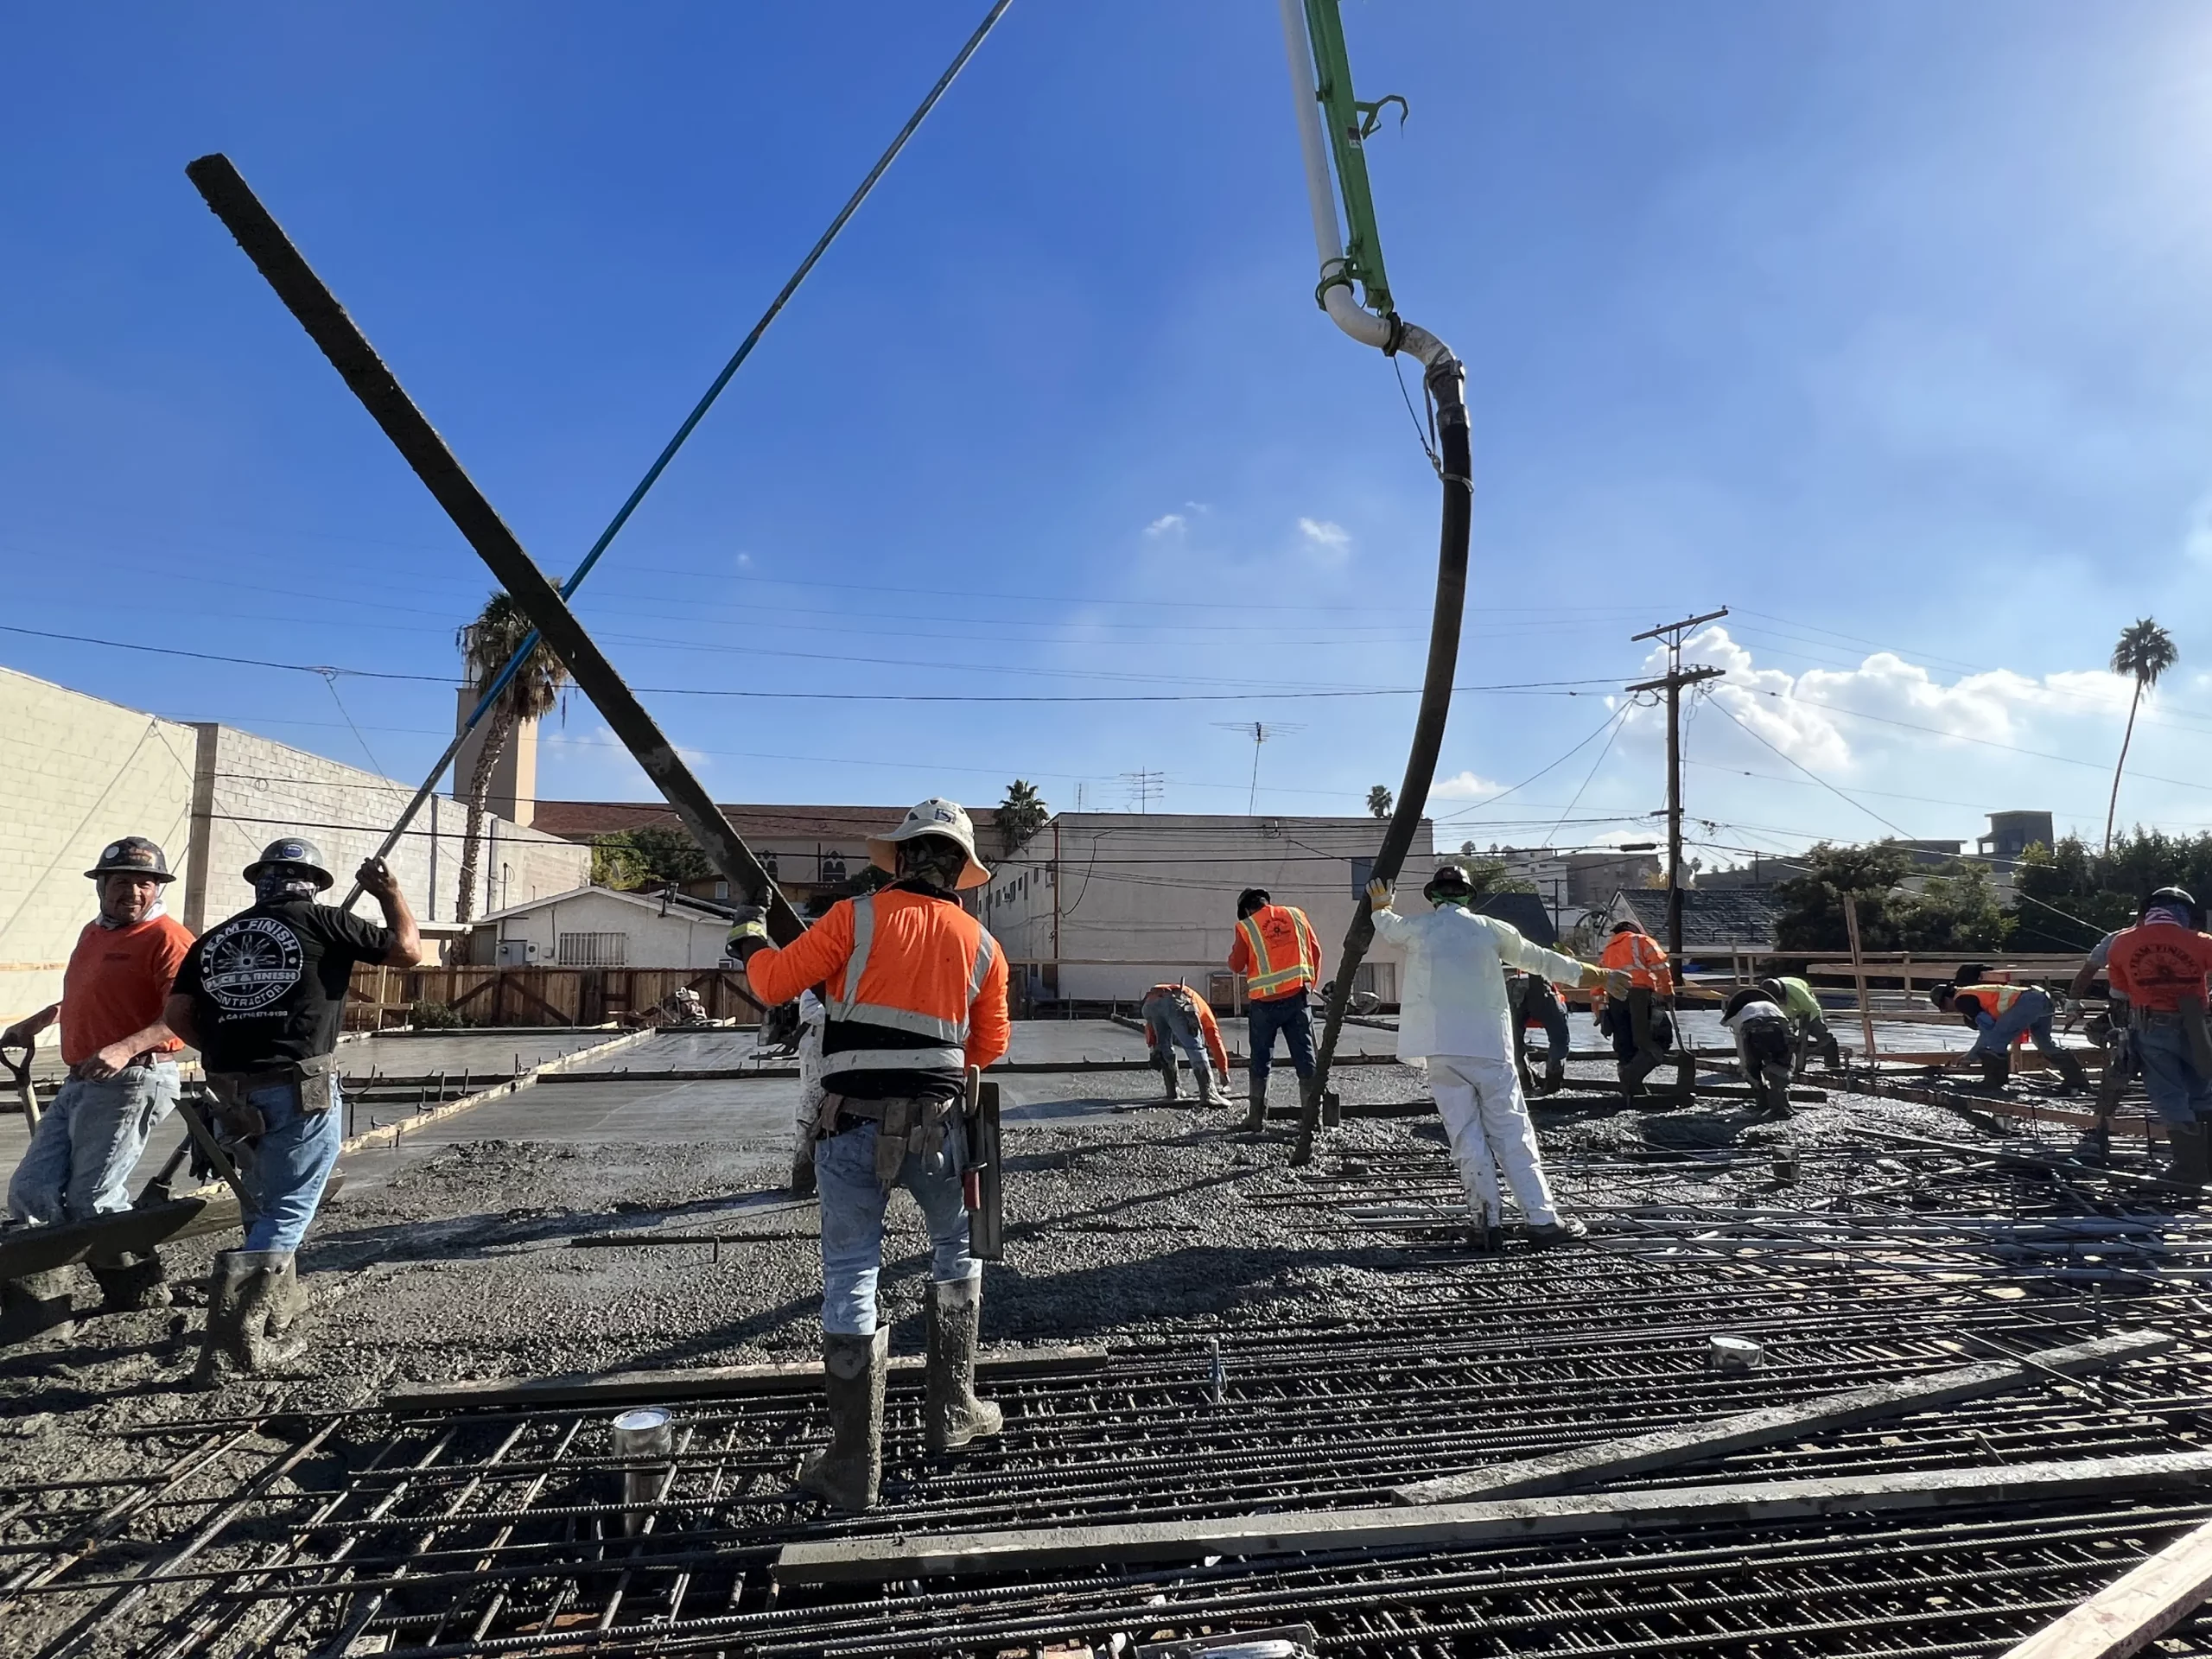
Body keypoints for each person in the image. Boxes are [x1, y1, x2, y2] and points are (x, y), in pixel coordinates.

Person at [727, 798, 1010, 1511]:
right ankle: (954, 1414)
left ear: (902, 857)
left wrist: (748, 935)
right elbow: (988, 1046)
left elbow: (772, 983)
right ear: (959, 871)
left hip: (848, 1124)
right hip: (941, 1127)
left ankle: (854, 1465)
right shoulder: (983, 945)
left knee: (853, 1272)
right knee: (957, 1249)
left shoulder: (851, 919)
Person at [164, 837, 422, 1384]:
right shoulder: (325, 922)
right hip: (298, 1088)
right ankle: (237, 1342)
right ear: (314, 884)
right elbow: (408, 951)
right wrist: (389, 893)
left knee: (260, 1200)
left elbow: (178, 1013)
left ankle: (276, 1308)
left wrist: (223, 1053)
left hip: (231, 1094)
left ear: (261, 881)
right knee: (288, 1207)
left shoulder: (215, 938)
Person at [1368, 866, 1624, 1249]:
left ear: (1434, 896)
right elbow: (1542, 960)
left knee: (1465, 1136)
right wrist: (1598, 976)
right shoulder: (1491, 929)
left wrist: (1381, 906)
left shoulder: (1418, 929)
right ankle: (1541, 1221)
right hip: (1488, 1047)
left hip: (1440, 1048)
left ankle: (1485, 1224)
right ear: (1468, 895)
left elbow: (1389, 926)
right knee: (1512, 1133)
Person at [3, 836, 194, 1315]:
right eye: (122, 881)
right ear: (102, 887)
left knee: (93, 1199)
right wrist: (40, 1019)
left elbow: (188, 1016)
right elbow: (93, 994)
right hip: (82, 1078)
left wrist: (126, 1047)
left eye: (144, 883)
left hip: (135, 1078)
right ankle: (44, 1309)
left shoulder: (168, 938)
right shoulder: (95, 933)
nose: (133, 892)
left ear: (158, 889)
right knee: (30, 1194)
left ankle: (142, 1295)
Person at [2102, 887, 2212, 1186]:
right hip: (2197, 1026)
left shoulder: (2122, 942)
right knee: (2203, 1091)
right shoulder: (2202, 942)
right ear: (2186, 915)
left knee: (2169, 1094)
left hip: (2152, 1026)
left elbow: (2119, 992)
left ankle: (2190, 1168)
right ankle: (2208, 1164)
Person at [1228, 887, 1323, 1132]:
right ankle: (1313, 1121)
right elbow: (1315, 951)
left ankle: (1256, 1118)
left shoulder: (1247, 927)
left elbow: (1236, 965)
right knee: (1306, 1059)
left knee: (1261, 1059)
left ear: (1247, 910)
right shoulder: (1296, 915)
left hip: (1264, 1004)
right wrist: (1310, 984)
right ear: (1266, 902)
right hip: (1297, 998)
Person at [1931, 981, 2089, 1095]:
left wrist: (1970, 1057)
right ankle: (2076, 1080)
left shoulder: (1962, 1000)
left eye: (1944, 1007)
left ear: (1946, 999)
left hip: (2026, 1002)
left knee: (1996, 1041)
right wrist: (1971, 1055)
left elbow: (1989, 1029)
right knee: (2044, 1044)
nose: (1948, 1011)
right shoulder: (1971, 993)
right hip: (2040, 998)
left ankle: (1994, 1083)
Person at [2069, 929, 2131, 1160]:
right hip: (2179, 1011)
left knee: (2118, 1068)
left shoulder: (2120, 938)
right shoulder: (2191, 938)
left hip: (2129, 1010)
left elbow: (2089, 970)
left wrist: (2073, 1000)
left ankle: (2099, 1128)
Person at [1598, 918, 1674, 1095]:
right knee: (1659, 1037)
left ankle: (1631, 1088)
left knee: (1625, 1042)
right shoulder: (1641, 940)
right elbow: (1660, 966)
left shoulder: (1608, 950)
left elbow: (1598, 981)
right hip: (1639, 994)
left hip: (1615, 998)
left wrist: (1600, 1011)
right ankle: (1632, 1077)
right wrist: (1667, 990)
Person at [1140, 982, 1230, 1107]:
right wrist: (1223, 1073)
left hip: (1149, 1003)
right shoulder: (1205, 1013)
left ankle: (1174, 1091)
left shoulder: (1196, 1000)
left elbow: (1151, 1029)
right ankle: (1209, 1094)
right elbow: (1215, 1040)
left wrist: (1154, 1046)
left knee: (1164, 1046)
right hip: (1175, 1001)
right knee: (1194, 1046)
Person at [1723, 987, 1796, 1117]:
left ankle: (1763, 1100)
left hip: (1753, 1027)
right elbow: (1788, 1038)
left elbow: (1741, 1047)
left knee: (1752, 1066)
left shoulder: (1739, 1016)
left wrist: (1745, 1068)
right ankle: (1781, 1103)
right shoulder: (1771, 1006)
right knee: (1782, 1063)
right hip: (1780, 1024)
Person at [1758, 976, 1842, 1075]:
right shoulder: (1764, 995)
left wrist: (1805, 1029)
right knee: (1781, 1036)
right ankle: (1781, 1062)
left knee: (1821, 1033)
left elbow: (1813, 1009)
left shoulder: (1796, 991)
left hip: (1806, 1008)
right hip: (1786, 1013)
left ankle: (1833, 1065)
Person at [1505, 969, 1572, 1096]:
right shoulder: (1552, 993)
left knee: (1513, 1041)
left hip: (1513, 989)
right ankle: (1552, 1086)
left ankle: (1525, 1083)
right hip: (1542, 989)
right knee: (1560, 1041)